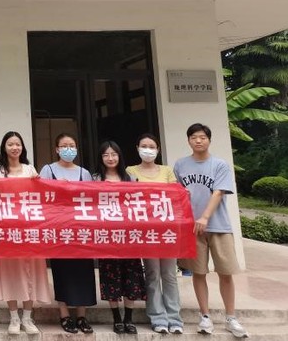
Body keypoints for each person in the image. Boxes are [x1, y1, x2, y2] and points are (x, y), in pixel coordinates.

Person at [173, 123, 249, 338]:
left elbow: (218, 192)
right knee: (198, 272)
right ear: (188, 140)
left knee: (225, 272)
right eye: (194, 137)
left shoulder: (220, 165)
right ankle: (205, 316)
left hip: (219, 226)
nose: (198, 140)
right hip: (192, 228)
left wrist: (205, 217)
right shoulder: (180, 165)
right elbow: (178, 193)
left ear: (209, 140)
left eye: (202, 137)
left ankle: (231, 317)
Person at [0, 131, 51, 335]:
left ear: (22, 147)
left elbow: (39, 196)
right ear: (4, 148)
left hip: (29, 229)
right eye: (10, 144)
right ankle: (14, 317)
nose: (14, 148)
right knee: (10, 272)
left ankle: (27, 317)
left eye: (18, 144)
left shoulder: (29, 169)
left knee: (30, 270)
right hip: (6, 229)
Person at [39, 132, 96, 334]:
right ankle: (64, 314)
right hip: (59, 229)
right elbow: (42, 196)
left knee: (83, 272)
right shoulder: (48, 170)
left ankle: (81, 316)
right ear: (57, 149)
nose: (68, 149)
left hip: (81, 230)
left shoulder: (84, 173)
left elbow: (91, 199)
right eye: (64, 146)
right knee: (61, 271)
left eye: (71, 145)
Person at [127, 133, 183, 334]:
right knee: (152, 273)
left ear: (158, 150)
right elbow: (128, 196)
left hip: (167, 229)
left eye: (152, 146)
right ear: (137, 148)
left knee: (169, 274)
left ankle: (174, 318)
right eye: (144, 146)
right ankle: (157, 317)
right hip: (146, 230)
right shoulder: (131, 171)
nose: (148, 150)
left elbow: (175, 194)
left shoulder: (167, 171)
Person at [94, 141, 147, 334]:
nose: (110, 158)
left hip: (129, 237)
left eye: (114, 154)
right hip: (106, 237)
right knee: (111, 277)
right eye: (106, 155)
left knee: (131, 275)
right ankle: (116, 318)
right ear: (101, 158)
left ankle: (129, 318)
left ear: (119, 156)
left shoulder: (130, 178)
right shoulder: (95, 179)